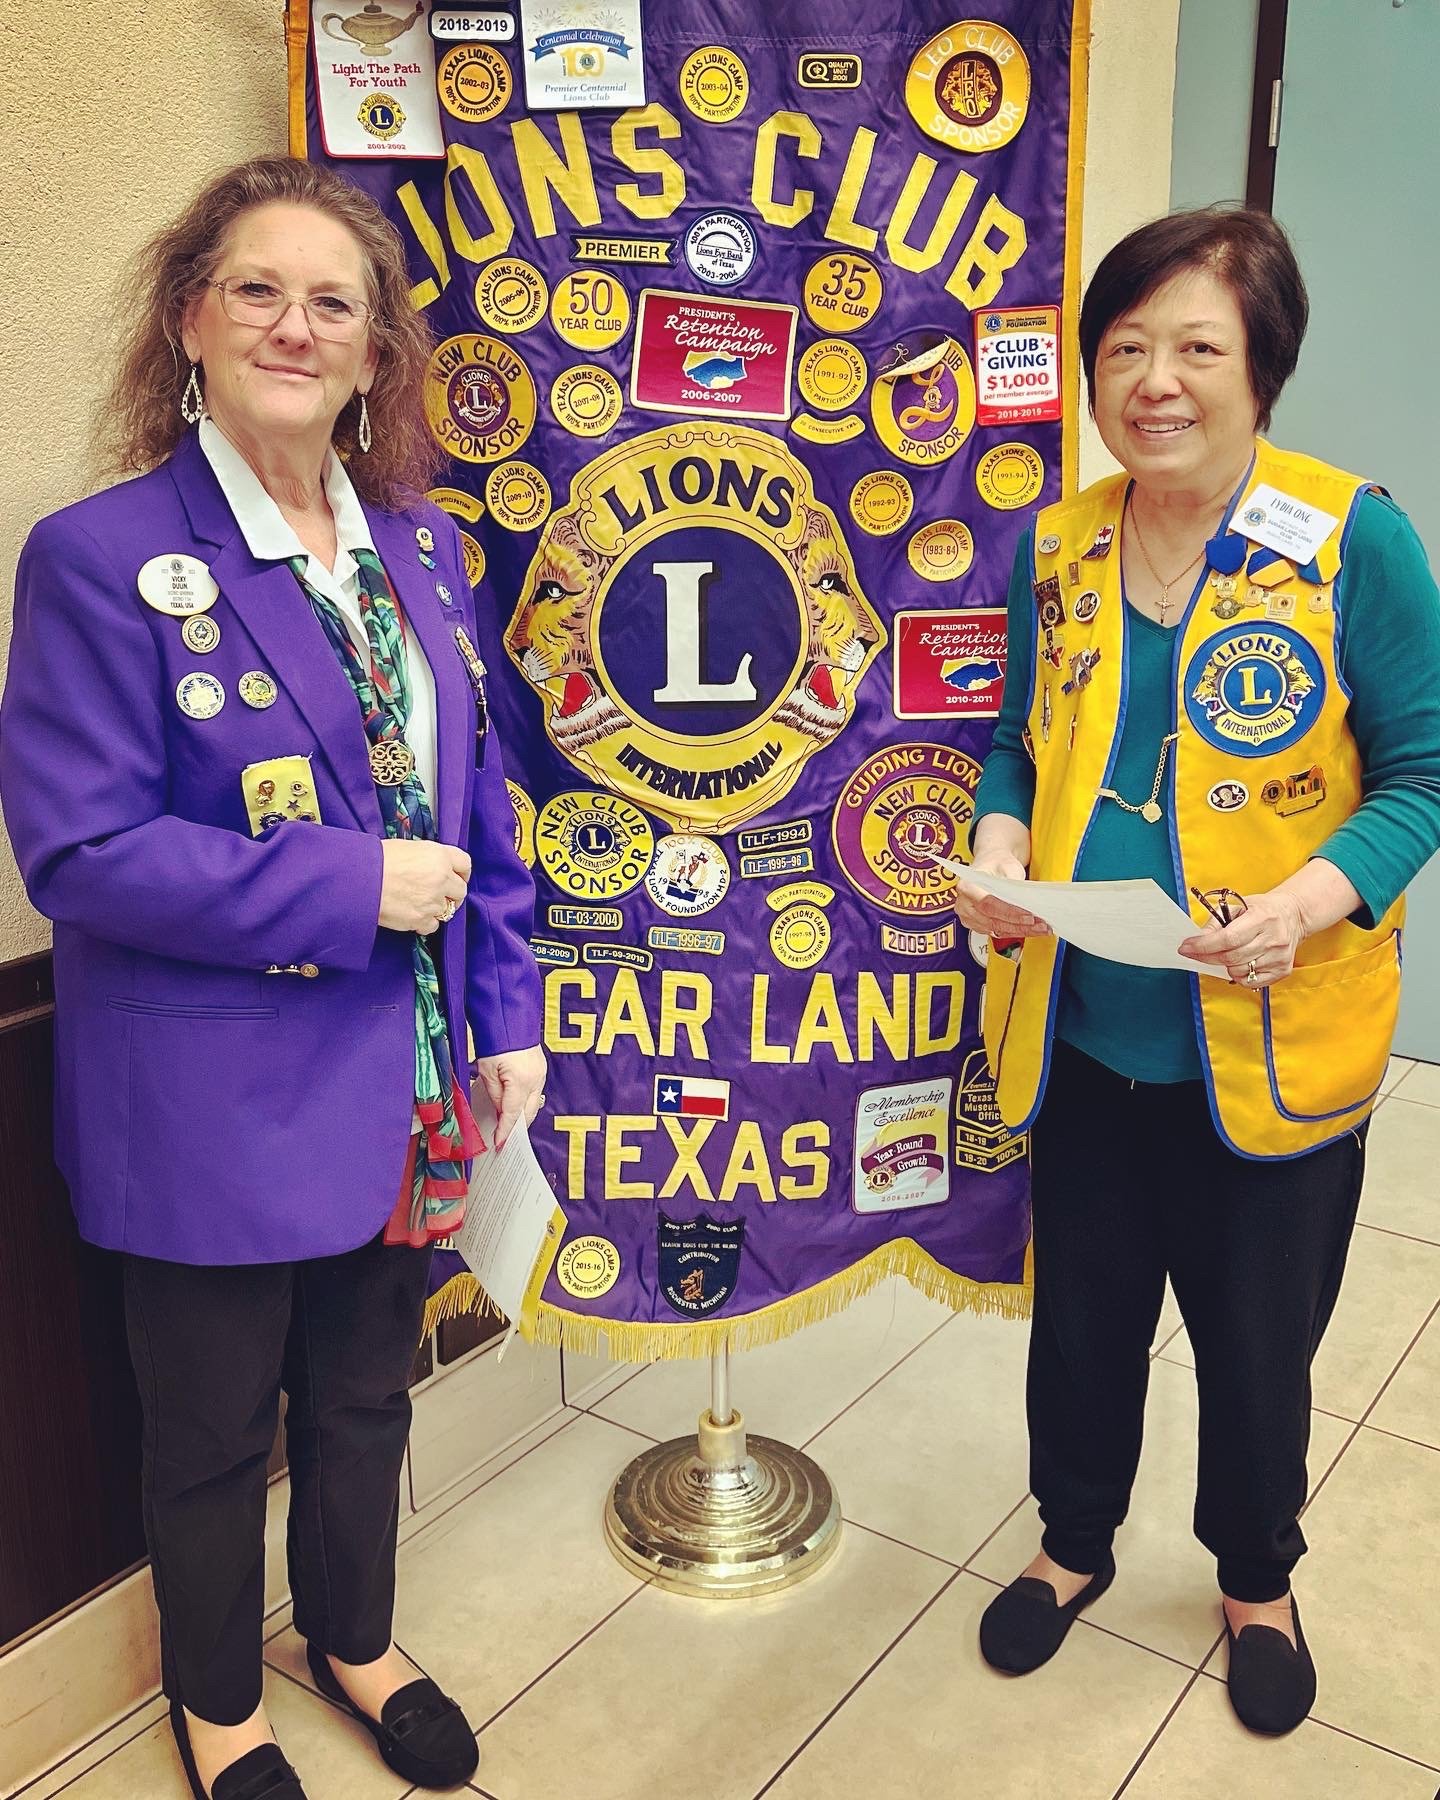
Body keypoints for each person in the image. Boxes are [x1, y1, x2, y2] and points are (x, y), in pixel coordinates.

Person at [0, 157, 545, 1800]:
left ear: (379, 353)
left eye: (335, 303)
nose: (295, 327)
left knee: (369, 1391)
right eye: (257, 290)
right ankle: (221, 1700)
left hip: (414, 1079)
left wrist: (508, 1022)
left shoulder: (425, 552)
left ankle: (355, 1640)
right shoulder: (101, 558)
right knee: (218, 1426)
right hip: (211, 1096)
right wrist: (347, 881)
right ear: (189, 320)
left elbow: (484, 813)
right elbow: (78, 853)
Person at [957, 207, 1440, 1735]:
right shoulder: (1061, 541)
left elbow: (1421, 770)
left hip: (1273, 1036)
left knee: (1255, 1344)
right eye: (1125, 349)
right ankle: (1073, 1542)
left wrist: (1311, 899)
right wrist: (994, 840)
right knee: (1082, 1322)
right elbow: (1014, 738)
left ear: (1263, 367)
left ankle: (1256, 1576)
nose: (1155, 381)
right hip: (1087, 1025)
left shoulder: (1350, 532)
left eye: (1196, 348)